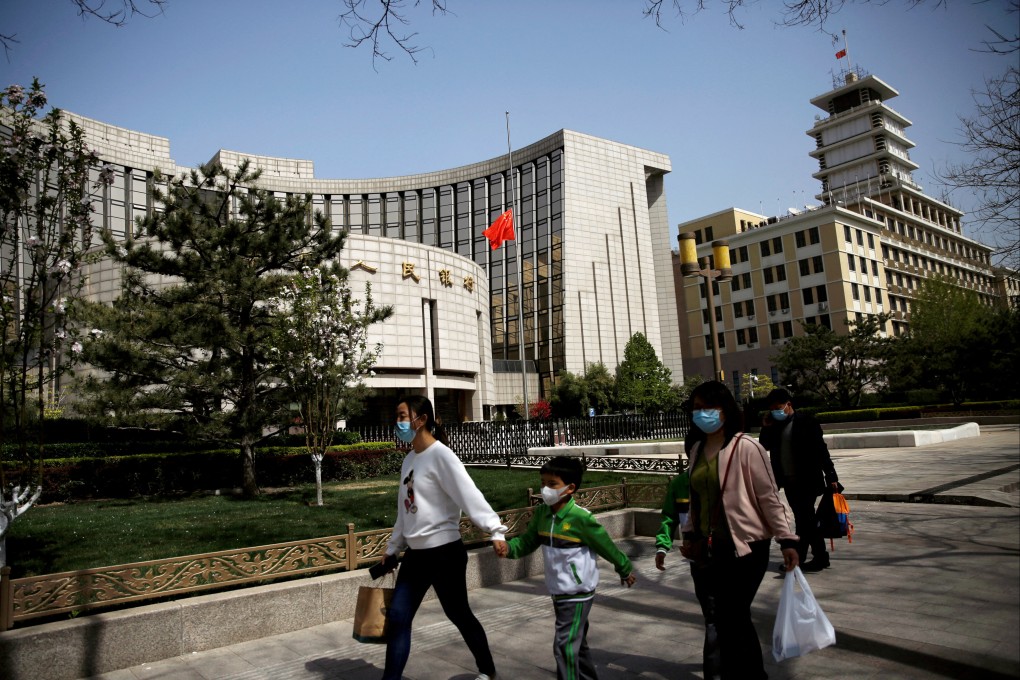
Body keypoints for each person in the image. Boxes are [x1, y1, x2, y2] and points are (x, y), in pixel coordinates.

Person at [371, 395, 506, 680]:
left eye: (402, 416)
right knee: (397, 617)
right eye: (397, 416)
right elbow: (404, 510)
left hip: (445, 553)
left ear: (421, 420)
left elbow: (469, 494)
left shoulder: (441, 455)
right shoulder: (409, 459)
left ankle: (488, 669)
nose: (398, 423)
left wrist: (494, 529)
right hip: (417, 556)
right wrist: (393, 548)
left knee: (458, 613)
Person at [679, 381, 799, 680]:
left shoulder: (747, 447)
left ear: (725, 410)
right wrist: (690, 533)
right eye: (696, 409)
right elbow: (697, 498)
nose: (701, 414)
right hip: (710, 548)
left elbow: (769, 497)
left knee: (734, 615)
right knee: (724, 619)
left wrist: (786, 539)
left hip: (746, 547)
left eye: (708, 408)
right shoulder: (696, 449)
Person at [492, 456, 636, 680]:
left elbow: (606, 546)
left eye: (552, 484)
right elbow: (527, 542)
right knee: (577, 645)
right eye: (542, 483)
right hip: (558, 590)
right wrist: (508, 549)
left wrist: (624, 568)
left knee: (564, 646)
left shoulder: (581, 519)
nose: (545, 489)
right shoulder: (542, 514)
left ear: (570, 488)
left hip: (577, 592)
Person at [758, 388, 842, 573]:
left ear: (789, 404)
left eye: (778, 407)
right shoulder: (775, 426)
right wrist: (766, 426)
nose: (775, 412)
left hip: (808, 479)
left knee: (805, 519)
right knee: (806, 519)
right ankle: (818, 557)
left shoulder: (807, 422)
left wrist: (831, 475)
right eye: (772, 409)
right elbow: (763, 447)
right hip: (788, 481)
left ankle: (802, 558)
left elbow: (821, 450)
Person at [654, 465, 723, 680]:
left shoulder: (725, 476)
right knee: (713, 615)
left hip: (729, 556)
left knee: (725, 616)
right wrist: (662, 546)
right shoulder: (680, 483)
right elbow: (668, 517)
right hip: (698, 557)